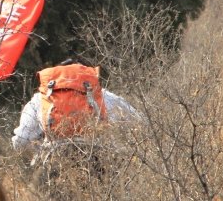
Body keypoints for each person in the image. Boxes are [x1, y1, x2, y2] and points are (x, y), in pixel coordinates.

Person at [11, 59, 143, 156]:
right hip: (100, 162)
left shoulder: (40, 100)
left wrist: (39, 153)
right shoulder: (103, 96)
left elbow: (20, 142)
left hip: (54, 164)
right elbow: (141, 123)